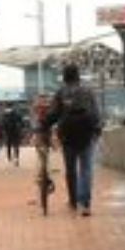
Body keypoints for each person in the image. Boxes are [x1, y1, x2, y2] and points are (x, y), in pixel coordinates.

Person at [43, 63, 103, 216]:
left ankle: (73, 200)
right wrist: (97, 129)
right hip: (86, 135)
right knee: (86, 169)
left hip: (68, 136)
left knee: (71, 170)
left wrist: (43, 125)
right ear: (78, 76)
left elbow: (54, 114)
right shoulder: (88, 92)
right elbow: (96, 113)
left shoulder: (61, 93)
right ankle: (86, 203)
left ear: (64, 77)